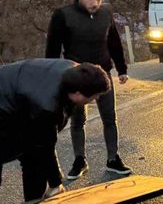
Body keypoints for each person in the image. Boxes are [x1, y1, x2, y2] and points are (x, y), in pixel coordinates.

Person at [45, 0, 132, 180]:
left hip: (103, 76)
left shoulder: (106, 14)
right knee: (78, 121)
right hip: (77, 77)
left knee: (109, 118)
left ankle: (113, 159)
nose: (95, 2)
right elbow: (52, 48)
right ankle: (79, 160)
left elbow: (114, 42)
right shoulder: (63, 15)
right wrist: (51, 75)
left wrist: (122, 69)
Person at [0, 59, 110, 202]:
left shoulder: (74, 72)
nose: (95, 99)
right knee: (30, 151)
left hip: (16, 101)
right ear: (77, 93)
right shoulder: (46, 105)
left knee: (33, 157)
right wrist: (55, 183)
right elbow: (45, 144)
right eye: (94, 96)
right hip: (6, 106)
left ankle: (34, 200)